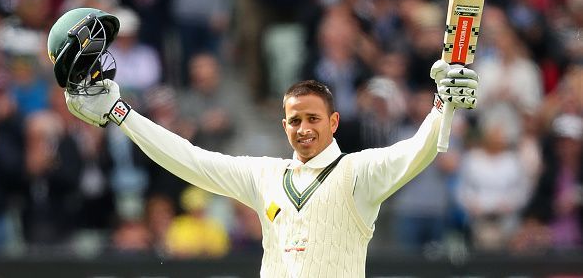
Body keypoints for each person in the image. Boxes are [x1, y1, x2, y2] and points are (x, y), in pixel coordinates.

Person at [62, 54, 478, 276]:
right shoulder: (266, 175)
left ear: (333, 122)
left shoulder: (358, 174)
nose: (303, 129)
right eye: (295, 120)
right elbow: (191, 160)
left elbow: (417, 151)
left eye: (313, 119)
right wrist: (120, 113)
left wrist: (443, 106)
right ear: (283, 125)